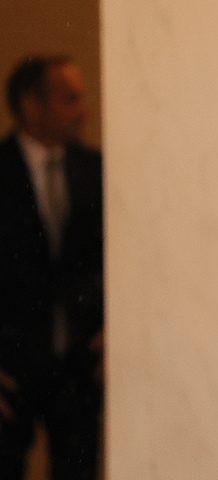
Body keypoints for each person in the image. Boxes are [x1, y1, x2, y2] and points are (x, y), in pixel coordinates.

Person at [0, 56, 104, 480]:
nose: (83, 111)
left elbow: (113, 261)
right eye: (69, 99)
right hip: (9, 363)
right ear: (31, 105)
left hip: (79, 364)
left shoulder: (94, 169)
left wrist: (112, 330)